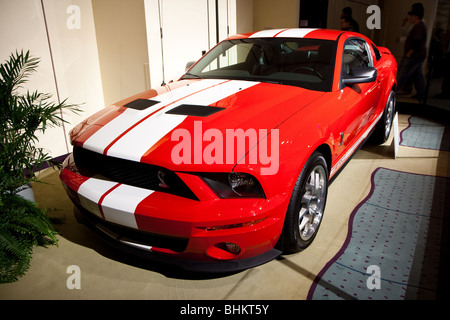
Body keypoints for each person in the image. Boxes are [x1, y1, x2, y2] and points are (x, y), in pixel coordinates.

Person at [396, 3, 427, 104]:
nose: (410, 17)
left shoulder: (418, 27)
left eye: (411, 15)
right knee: (417, 76)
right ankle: (422, 94)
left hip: (414, 56)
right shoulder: (418, 26)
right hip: (417, 56)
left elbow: (416, 41)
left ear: (416, 16)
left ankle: (392, 92)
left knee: (402, 74)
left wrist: (410, 52)